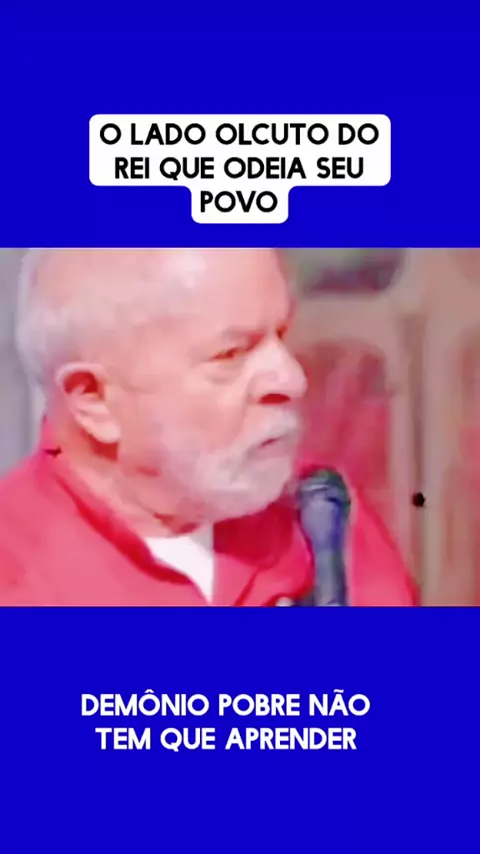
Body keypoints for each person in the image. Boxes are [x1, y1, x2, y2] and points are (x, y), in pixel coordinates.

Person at [0, 248, 417, 606]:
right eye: (231, 354)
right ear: (93, 399)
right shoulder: (17, 574)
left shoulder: (324, 521)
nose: (291, 379)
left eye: (281, 335)